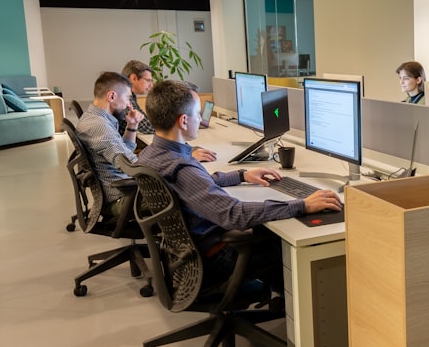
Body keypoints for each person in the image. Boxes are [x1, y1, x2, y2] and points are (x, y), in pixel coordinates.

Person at [138, 80, 341, 296]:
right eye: (198, 114)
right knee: (284, 241)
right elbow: (235, 215)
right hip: (215, 256)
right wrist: (302, 205)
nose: (200, 119)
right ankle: (299, 313)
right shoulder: (181, 167)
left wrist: (241, 175)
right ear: (184, 121)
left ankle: (281, 301)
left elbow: (195, 186)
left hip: (187, 252)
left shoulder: (150, 155)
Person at [120, 59, 216, 162]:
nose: (151, 85)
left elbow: (148, 121)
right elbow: (149, 127)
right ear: (134, 78)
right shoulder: (125, 100)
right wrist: (175, 126)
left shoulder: (129, 97)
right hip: (129, 157)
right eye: (148, 80)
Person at [76, 71, 142, 215]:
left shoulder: (93, 118)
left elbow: (123, 151)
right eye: (127, 98)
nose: (129, 104)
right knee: (179, 192)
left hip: (121, 190)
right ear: (111, 96)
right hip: (121, 199)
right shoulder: (100, 128)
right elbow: (131, 166)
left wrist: (132, 126)